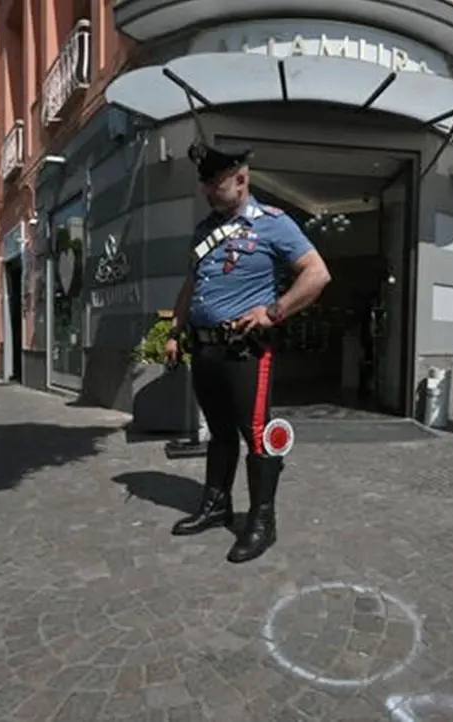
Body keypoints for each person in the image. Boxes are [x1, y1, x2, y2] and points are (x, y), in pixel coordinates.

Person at [164, 141, 332, 564]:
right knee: (219, 434)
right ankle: (217, 505)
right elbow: (191, 285)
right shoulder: (205, 229)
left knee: (256, 436)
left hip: (246, 352)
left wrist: (274, 312)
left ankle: (262, 521)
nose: (207, 191)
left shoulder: (274, 224)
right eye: (205, 183)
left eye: (214, 182)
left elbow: (318, 274)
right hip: (205, 351)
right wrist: (174, 330)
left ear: (241, 178)